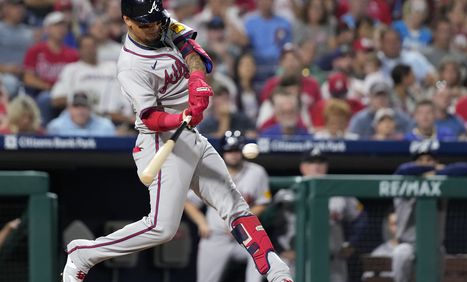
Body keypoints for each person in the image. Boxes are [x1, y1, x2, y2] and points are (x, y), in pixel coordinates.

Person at [61, 1, 293, 282]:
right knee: (162, 228)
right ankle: (84, 254)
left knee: (234, 206)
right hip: (160, 141)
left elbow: (190, 47)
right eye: (147, 24)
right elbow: (149, 118)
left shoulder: (159, 22)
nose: (156, 27)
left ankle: (277, 272)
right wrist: (181, 115)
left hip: (190, 136)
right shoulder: (130, 66)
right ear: (128, 22)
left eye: (157, 20)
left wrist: (196, 80)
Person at [184, 131, 272, 282]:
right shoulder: (210, 171)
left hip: (246, 236)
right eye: (229, 150)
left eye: (236, 150)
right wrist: (201, 222)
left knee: (264, 254)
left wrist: (243, 223)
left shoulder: (257, 172)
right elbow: (188, 201)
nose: (233, 154)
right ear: (223, 152)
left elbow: (262, 203)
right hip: (216, 236)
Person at [269, 147, 367, 282]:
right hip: (295, 260)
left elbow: (360, 219)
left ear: (326, 166)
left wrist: (351, 244)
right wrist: (278, 248)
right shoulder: (286, 193)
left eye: (320, 163)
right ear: (303, 167)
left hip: (332, 261)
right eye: (311, 162)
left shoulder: (339, 194)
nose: (316, 167)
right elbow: (266, 222)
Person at [392, 142, 467, 282]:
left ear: (437, 162)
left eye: (429, 160)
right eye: (420, 161)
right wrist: (429, 168)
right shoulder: (403, 180)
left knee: (439, 255)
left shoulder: (441, 183)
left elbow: (466, 168)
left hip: (434, 247)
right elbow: (402, 169)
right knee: (401, 253)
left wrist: (435, 172)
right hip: (408, 244)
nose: (425, 163)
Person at [46, 92, 117, 136]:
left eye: (84, 106)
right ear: (68, 108)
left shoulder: (105, 126)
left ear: (90, 108)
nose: (80, 111)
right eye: (76, 106)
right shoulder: (56, 127)